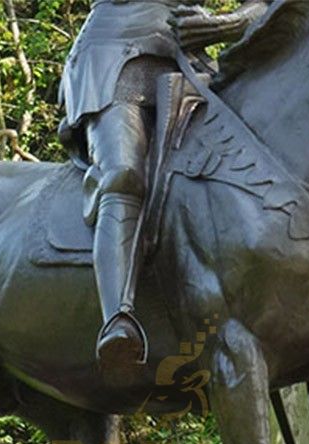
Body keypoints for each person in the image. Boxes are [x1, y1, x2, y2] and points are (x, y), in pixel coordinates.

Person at [59, 0, 272, 369]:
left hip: (193, 66)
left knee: (273, 151)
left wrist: (230, 23)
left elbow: (266, 4)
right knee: (124, 174)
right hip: (117, 58)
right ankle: (117, 320)